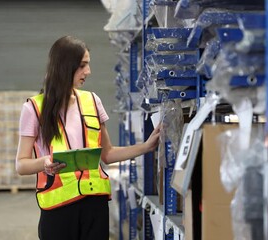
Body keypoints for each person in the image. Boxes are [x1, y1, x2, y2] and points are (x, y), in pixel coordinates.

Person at [15, 35, 160, 240]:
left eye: (88, 65)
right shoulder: (34, 108)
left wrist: (146, 146)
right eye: (82, 65)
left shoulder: (93, 101)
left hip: (95, 205)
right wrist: (44, 163)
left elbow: (107, 154)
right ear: (65, 66)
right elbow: (21, 165)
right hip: (58, 209)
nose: (88, 72)